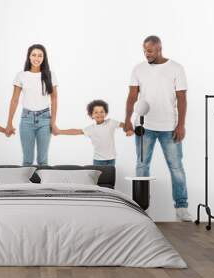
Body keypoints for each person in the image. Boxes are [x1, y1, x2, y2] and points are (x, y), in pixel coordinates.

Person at [124, 35, 192, 221]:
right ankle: (140, 206)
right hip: (144, 126)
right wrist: (128, 119)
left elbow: (182, 98)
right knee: (142, 165)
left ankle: (181, 207)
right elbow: (132, 97)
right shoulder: (138, 69)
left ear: (159, 49)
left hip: (169, 126)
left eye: (150, 50)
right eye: (144, 50)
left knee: (176, 167)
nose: (146, 54)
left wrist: (181, 125)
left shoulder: (176, 68)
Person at [5, 44, 59, 166]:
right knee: (27, 160)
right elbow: (14, 100)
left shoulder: (50, 75)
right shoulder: (21, 75)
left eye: (40, 55)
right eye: (34, 55)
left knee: (43, 160)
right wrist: (9, 123)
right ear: (29, 57)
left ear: (44, 58)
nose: (37, 58)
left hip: (45, 119)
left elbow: (54, 99)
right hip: (26, 119)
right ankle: (26, 185)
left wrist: (53, 122)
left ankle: (43, 186)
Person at [56, 99, 133, 166]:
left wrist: (129, 130)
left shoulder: (111, 122)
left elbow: (124, 125)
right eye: (96, 112)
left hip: (111, 159)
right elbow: (76, 131)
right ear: (91, 115)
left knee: (109, 178)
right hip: (98, 160)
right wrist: (59, 131)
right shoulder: (91, 129)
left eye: (101, 111)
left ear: (106, 113)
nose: (99, 114)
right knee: (99, 181)